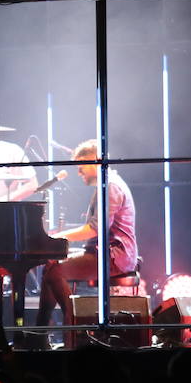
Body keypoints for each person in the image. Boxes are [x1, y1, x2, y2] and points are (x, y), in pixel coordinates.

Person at [35, 139, 138, 327]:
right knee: (50, 264)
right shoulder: (107, 185)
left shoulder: (111, 187)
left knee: (55, 271)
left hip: (114, 257)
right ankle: (40, 332)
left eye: (81, 165)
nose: (78, 171)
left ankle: (75, 325)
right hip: (104, 252)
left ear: (94, 161)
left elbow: (94, 229)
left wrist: (55, 238)